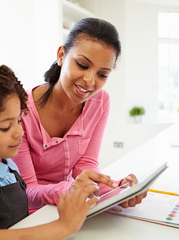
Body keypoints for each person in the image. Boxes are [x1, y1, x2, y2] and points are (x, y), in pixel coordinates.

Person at [0, 63, 119, 240]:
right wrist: (62, 226)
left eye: (18, 120)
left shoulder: (8, 166)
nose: (19, 132)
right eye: (5, 127)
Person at [13, 17, 147, 213]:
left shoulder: (100, 102)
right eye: (83, 65)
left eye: (102, 74)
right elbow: (26, 191)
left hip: (69, 207)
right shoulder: (19, 108)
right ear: (61, 55)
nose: (89, 81)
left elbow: (85, 165)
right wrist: (72, 189)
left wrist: (116, 190)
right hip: (30, 215)